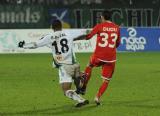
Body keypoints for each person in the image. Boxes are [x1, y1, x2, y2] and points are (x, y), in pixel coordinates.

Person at [18, 19, 89, 107]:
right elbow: (82, 34)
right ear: (61, 26)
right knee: (76, 81)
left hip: (64, 66)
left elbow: (35, 44)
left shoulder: (49, 37)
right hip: (75, 64)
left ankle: (81, 100)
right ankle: (81, 80)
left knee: (66, 90)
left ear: (52, 27)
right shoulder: (69, 33)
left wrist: (24, 45)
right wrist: (89, 36)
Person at [78, 10, 121, 105]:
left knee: (89, 65)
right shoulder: (117, 28)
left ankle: (84, 86)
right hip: (111, 57)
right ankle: (97, 97)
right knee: (106, 80)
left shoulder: (100, 26)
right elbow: (118, 43)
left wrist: (76, 38)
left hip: (99, 55)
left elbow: (89, 36)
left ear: (102, 17)